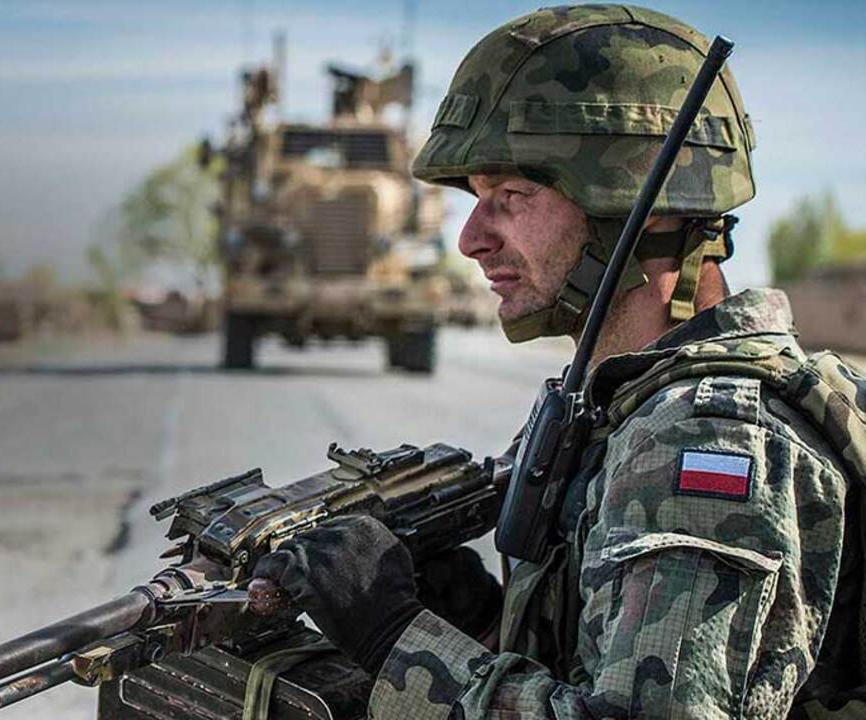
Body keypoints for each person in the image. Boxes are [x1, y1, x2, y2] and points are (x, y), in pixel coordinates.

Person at [253, 5, 866, 718]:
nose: (471, 239)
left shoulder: (711, 439)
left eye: (512, 196)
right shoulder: (621, 405)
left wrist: (397, 642)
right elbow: (601, 668)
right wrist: (475, 622)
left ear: (640, 206)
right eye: (478, 198)